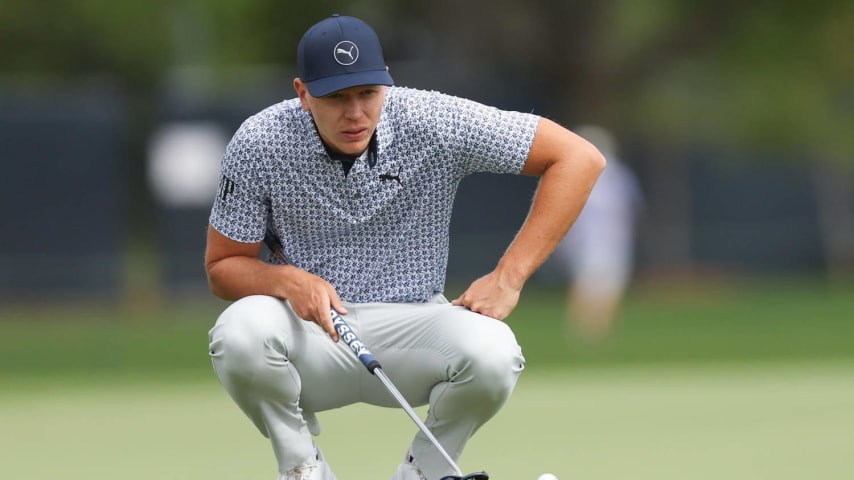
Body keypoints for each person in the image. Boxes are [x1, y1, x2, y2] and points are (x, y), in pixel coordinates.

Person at [204, 14, 605, 480]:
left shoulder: (430, 119)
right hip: (309, 334)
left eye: (367, 94)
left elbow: (579, 157)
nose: (355, 113)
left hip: (414, 326)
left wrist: (508, 277)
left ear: (385, 84)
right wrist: (285, 280)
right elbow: (222, 267)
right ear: (302, 93)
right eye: (335, 98)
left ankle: (425, 472)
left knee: (495, 353)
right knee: (238, 334)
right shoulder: (260, 142)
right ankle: (302, 467)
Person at [553, 125, 643, 343]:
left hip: (612, 239)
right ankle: (584, 331)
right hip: (588, 241)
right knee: (586, 283)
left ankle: (601, 330)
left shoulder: (618, 175)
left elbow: (631, 208)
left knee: (610, 284)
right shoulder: (573, 173)